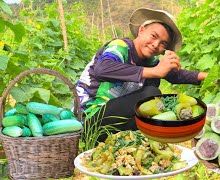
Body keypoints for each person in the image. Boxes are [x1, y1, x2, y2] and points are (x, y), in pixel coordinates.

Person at [76, 7, 208, 141]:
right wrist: (155, 71)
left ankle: (124, 141)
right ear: (141, 30)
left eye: (163, 43)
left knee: (151, 113)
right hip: (89, 119)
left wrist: (208, 77)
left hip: (111, 121)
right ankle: (93, 139)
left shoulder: (150, 61)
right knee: (151, 93)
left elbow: (177, 75)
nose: (156, 45)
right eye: (154, 36)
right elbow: (102, 68)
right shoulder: (119, 46)